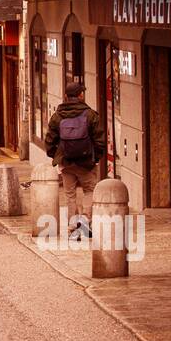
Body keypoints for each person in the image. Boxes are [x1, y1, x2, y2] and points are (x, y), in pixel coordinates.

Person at [45, 80, 105, 238]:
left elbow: (49, 141)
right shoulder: (91, 114)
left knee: (70, 194)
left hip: (66, 161)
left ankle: (73, 226)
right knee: (89, 190)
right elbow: (100, 139)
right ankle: (85, 221)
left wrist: (56, 156)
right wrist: (95, 157)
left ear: (65, 96)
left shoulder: (58, 116)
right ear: (81, 95)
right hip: (86, 162)